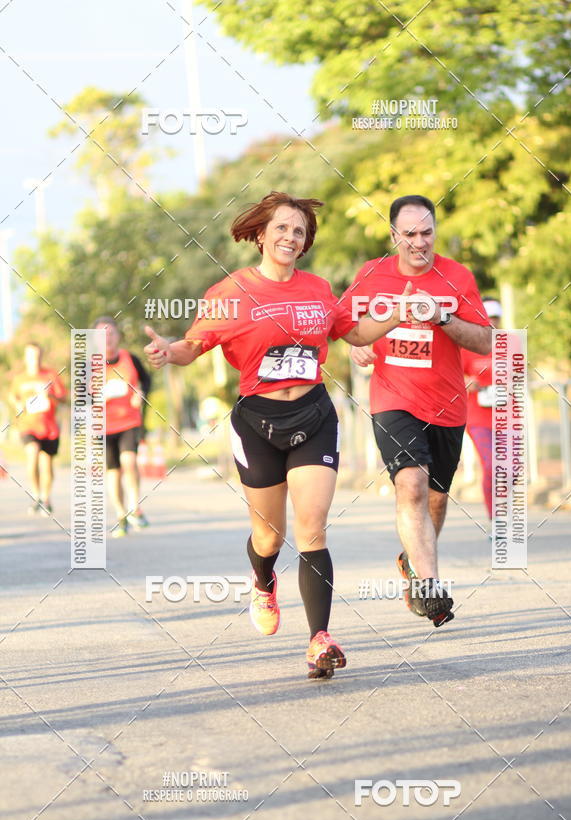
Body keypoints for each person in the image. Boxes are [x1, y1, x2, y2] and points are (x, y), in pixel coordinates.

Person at [144, 191, 411, 678]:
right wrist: (168, 351)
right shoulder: (232, 292)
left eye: (299, 230)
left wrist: (395, 313)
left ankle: (319, 640)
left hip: (313, 415)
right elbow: (193, 346)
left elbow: (351, 333)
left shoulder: (317, 288)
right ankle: (263, 581)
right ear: (262, 235)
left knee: (312, 528)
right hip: (257, 423)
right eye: (282, 228)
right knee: (269, 537)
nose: (291, 236)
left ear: (306, 241)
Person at [345, 194, 492, 626]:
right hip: (393, 400)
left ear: (436, 233)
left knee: (435, 501)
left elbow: (487, 341)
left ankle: (413, 566)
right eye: (409, 234)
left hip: (447, 406)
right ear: (394, 236)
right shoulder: (372, 275)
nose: (418, 242)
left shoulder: (457, 277)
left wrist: (442, 317)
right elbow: (348, 328)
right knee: (411, 484)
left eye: (426, 232)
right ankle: (431, 588)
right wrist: (359, 345)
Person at [93, 316, 151, 537]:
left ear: (118, 336)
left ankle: (135, 507)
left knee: (130, 461)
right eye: (102, 335)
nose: (107, 339)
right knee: (114, 471)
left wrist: (141, 393)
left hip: (130, 421)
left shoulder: (131, 359)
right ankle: (120, 514)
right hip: (105, 426)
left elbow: (146, 380)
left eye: (111, 334)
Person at [9, 342, 66, 515]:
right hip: (28, 425)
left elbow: (63, 398)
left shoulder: (50, 375)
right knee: (32, 453)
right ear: (26, 358)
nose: (34, 358)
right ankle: (36, 495)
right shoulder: (20, 379)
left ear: (41, 356)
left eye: (37, 354)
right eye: (31, 355)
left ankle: (45, 497)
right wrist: (17, 403)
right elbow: (13, 395)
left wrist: (51, 395)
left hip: (49, 427)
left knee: (46, 465)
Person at [462, 298, 503, 525]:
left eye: (495, 319)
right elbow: (455, 375)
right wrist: (468, 380)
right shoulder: (468, 345)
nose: (492, 323)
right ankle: (496, 518)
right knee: (490, 464)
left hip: (506, 416)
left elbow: (520, 372)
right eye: (488, 319)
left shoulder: (510, 343)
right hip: (477, 417)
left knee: (510, 470)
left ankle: (503, 509)